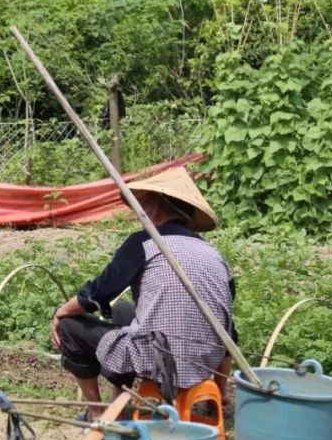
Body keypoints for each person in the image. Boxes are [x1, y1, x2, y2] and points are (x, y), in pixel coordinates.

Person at [49, 167, 236, 420]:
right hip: (203, 360)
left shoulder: (146, 242)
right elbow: (227, 330)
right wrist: (220, 392)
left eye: (144, 205)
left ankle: (95, 412)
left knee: (70, 327)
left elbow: (98, 292)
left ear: (156, 208)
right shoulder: (214, 255)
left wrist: (62, 312)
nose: (141, 213)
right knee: (124, 310)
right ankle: (119, 396)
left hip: (160, 359)